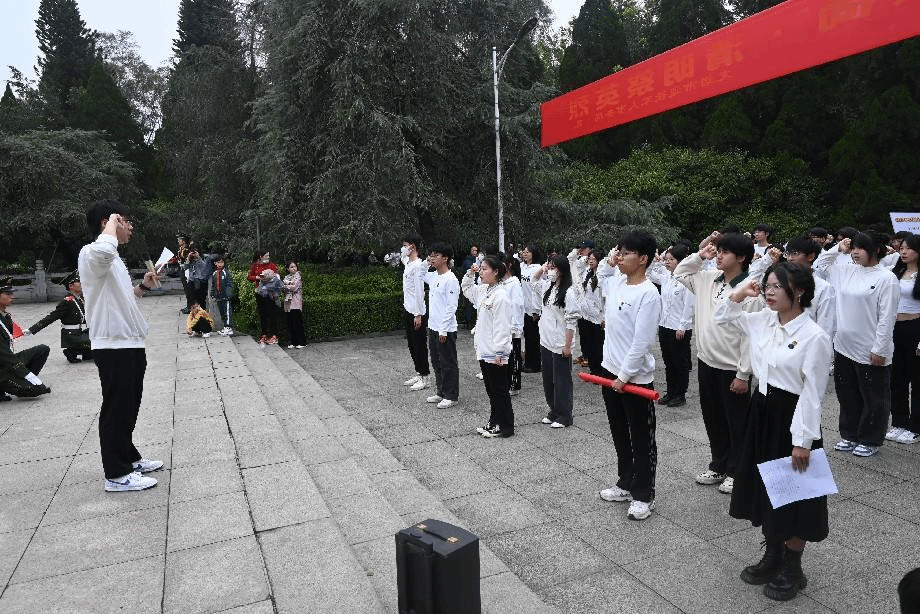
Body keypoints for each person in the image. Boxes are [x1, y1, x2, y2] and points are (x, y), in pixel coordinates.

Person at [715, 262, 832, 601]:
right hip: (762, 411)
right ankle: (773, 554)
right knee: (765, 489)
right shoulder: (763, 320)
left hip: (793, 417)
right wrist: (740, 293)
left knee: (797, 494)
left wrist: (803, 441)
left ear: (800, 291)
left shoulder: (814, 336)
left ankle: (793, 567)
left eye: (777, 286)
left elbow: (813, 393)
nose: (768, 291)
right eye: (767, 285)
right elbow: (722, 317)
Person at [78, 200, 163, 492]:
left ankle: (128, 457)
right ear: (107, 223)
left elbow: (122, 296)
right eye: (125, 221)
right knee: (116, 407)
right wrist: (113, 222)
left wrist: (144, 286)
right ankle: (116, 474)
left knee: (129, 404)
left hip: (129, 342)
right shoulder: (92, 252)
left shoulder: (113, 259)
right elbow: (103, 250)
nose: (130, 227)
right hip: (112, 345)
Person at [674, 231, 761, 494]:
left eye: (725, 252)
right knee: (713, 418)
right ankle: (719, 464)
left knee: (737, 422)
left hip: (732, 367)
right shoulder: (708, 277)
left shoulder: (750, 290)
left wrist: (743, 374)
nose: (719, 256)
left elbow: (751, 336)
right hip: (706, 361)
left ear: (742, 257)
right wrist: (700, 256)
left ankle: (737, 471)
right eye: (718, 251)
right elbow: (679, 272)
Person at [595, 231, 662, 521]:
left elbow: (642, 342)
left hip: (634, 380)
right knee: (620, 433)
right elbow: (602, 272)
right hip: (610, 372)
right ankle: (625, 482)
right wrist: (612, 259)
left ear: (643, 259)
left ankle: (644, 494)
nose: (619, 258)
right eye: (618, 252)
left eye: (626, 253)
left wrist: (624, 376)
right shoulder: (617, 282)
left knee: (641, 439)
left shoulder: (649, 293)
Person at [814, 230, 899, 457]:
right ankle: (849, 435)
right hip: (843, 345)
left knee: (874, 398)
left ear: (876, 250)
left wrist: (880, 348)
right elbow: (820, 264)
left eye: (861, 248)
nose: (855, 252)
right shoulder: (845, 270)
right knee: (847, 394)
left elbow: (887, 317)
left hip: (870, 348)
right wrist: (837, 248)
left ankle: (871, 439)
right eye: (853, 248)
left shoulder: (886, 278)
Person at [462, 255, 514, 437]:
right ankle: (494, 421)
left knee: (499, 391)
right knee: (491, 390)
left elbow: (503, 326)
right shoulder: (485, 290)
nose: (481, 272)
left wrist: (500, 351)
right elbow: (467, 289)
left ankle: (505, 426)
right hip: (484, 349)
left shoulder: (501, 296)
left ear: (496, 272)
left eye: (485, 269)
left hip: (495, 352)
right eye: (481, 268)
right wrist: (470, 273)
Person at [531, 254, 580, 428]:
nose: (550, 271)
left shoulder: (569, 292)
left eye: (553, 268)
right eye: (549, 268)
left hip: (560, 343)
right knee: (548, 379)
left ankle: (565, 415)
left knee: (562, 380)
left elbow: (571, 321)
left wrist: (567, 345)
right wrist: (542, 269)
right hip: (546, 340)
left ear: (562, 270)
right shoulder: (547, 287)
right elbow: (533, 282)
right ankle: (554, 410)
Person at [647, 242, 695, 407]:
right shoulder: (666, 276)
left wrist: (683, 326)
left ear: (680, 261)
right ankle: (671, 392)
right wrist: (655, 260)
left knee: (679, 363)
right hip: (665, 326)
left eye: (671, 259)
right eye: (666, 259)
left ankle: (680, 395)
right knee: (668, 363)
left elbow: (689, 305)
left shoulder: (687, 278)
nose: (667, 262)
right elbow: (648, 273)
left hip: (679, 328)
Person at [887, 233, 920, 444]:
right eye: (902, 248)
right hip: (895, 328)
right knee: (896, 379)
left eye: (909, 248)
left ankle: (915, 426)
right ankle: (899, 421)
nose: (904, 252)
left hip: (916, 328)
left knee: (917, 380)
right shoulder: (895, 272)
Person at [24, 271, 93, 363]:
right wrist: (31, 330)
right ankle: (72, 351)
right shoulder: (67, 302)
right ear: (71, 286)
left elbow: (83, 317)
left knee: (98, 336)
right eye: (78, 282)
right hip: (71, 335)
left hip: (78, 332)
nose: (81, 284)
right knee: (95, 343)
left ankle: (84, 352)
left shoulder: (78, 299)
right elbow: (51, 317)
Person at [423, 242, 461, 409]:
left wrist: (443, 329)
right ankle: (441, 391)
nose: (432, 258)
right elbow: (419, 274)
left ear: (445, 258)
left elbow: (451, 307)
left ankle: (451, 395)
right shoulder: (433, 276)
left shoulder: (451, 279)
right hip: (433, 326)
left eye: (436, 255)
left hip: (445, 329)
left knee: (448, 362)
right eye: (431, 255)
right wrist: (426, 263)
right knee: (436, 361)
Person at [0, 280, 51, 401]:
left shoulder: (5, 315)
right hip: (3, 365)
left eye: (11, 293)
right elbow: (3, 353)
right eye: (7, 294)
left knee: (42, 349)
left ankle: (21, 381)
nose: (12, 297)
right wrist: (25, 373)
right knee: (37, 390)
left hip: (7, 361)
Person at [400, 233, 432, 391]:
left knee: (419, 345)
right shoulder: (408, 263)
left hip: (416, 312)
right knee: (412, 344)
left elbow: (420, 292)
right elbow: (402, 257)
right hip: (408, 308)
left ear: (413, 247)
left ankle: (425, 376)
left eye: (405, 245)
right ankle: (419, 372)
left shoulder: (418, 266)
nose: (403, 248)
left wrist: (418, 314)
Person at [571, 247, 605, 374]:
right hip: (586, 314)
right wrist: (584, 258)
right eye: (589, 258)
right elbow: (575, 268)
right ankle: (592, 369)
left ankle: (599, 371)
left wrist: (605, 317)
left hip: (598, 317)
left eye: (593, 259)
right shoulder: (587, 272)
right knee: (589, 344)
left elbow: (605, 299)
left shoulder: (603, 276)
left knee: (598, 345)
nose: (590, 261)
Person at [502, 253, 525, 396]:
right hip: (503, 325)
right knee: (506, 356)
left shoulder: (514, 283)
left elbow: (517, 306)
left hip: (512, 327)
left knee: (514, 356)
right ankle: (507, 381)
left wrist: (515, 327)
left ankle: (514, 384)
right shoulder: (503, 282)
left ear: (509, 265)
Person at [247, 250, 280, 345]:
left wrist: (270, 277)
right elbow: (249, 277)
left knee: (271, 313)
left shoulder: (272, 265)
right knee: (263, 314)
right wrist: (258, 277)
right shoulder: (255, 266)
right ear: (260, 257)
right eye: (266, 256)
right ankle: (264, 334)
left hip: (270, 292)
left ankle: (274, 335)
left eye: (268, 256)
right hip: (260, 293)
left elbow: (277, 276)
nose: (268, 257)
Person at [520, 245, 543, 373]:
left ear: (534, 254)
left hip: (533, 309)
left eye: (528, 252)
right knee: (527, 337)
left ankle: (535, 364)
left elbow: (538, 291)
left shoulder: (538, 268)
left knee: (534, 338)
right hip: (523, 307)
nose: (525, 254)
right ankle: (528, 361)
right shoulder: (522, 266)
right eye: (524, 252)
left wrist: (537, 310)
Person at [255, 268, 283, 345]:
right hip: (262, 301)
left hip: (272, 302)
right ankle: (264, 334)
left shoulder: (276, 280)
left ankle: (274, 336)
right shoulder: (262, 282)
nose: (263, 277)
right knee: (263, 318)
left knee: (272, 318)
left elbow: (277, 289)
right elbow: (259, 291)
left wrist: (267, 286)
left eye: (265, 275)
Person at [283, 260, 307, 348]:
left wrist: (287, 285)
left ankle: (302, 342)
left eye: (295, 266)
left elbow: (295, 287)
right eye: (291, 267)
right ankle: (293, 342)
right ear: (288, 269)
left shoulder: (298, 276)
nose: (294, 268)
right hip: (288, 302)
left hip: (296, 302)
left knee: (297, 322)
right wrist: (287, 285)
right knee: (291, 323)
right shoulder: (287, 277)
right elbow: (283, 288)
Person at [209, 255, 234, 336]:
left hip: (225, 297)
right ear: (215, 263)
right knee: (222, 312)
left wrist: (228, 295)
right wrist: (213, 295)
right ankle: (225, 327)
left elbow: (229, 284)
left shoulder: (226, 273)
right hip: (218, 297)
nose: (220, 264)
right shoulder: (215, 273)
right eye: (218, 262)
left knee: (227, 312)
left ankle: (229, 327)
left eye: (222, 262)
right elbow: (213, 285)